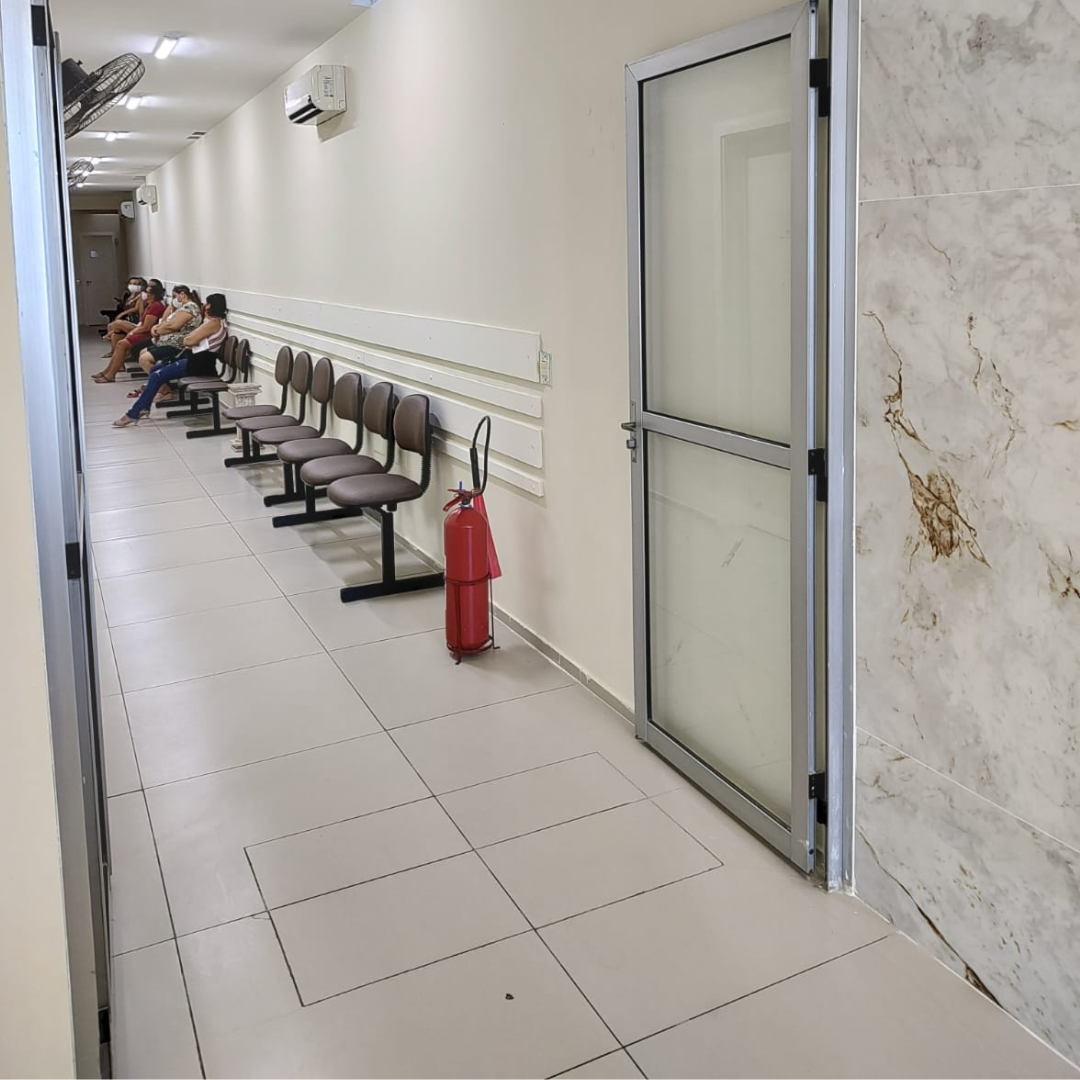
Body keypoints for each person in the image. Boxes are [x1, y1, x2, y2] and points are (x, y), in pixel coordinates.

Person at [114, 293, 228, 426]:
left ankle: (134, 413)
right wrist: (191, 338)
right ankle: (144, 407)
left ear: (212, 306)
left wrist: (190, 339)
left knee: (156, 376)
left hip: (199, 364)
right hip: (196, 360)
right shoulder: (212, 323)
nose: (205, 306)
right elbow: (190, 339)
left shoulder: (213, 323)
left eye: (207, 304)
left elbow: (188, 340)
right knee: (156, 369)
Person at [130, 284, 202, 389]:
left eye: (175, 296)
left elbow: (172, 326)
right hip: (166, 341)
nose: (174, 300)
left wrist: (158, 330)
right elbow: (166, 322)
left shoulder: (190, 308)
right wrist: (156, 328)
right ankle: (155, 382)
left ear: (182, 294)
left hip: (177, 345)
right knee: (142, 352)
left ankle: (163, 388)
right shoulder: (182, 308)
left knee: (144, 359)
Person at [94, 281, 166, 382]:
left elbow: (146, 327)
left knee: (121, 344)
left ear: (152, 295)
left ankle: (110, 375)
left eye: (146, 292)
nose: (144, 293)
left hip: (147, 335)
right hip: (142, 331)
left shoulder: (156, 306)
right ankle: (107, 371)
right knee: (118, 340)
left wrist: (132, 332)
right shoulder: (150, 304)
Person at [102, 276, 148, 350]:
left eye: (135, 284)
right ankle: (114, 351)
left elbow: (137, 309)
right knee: (112, 329)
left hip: (135, 320)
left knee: (115, 325)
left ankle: (109, 336)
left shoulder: (142, 296)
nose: (133, 286)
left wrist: (122, 314)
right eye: (131, 284)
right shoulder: (131, 295)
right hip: (129, 318)